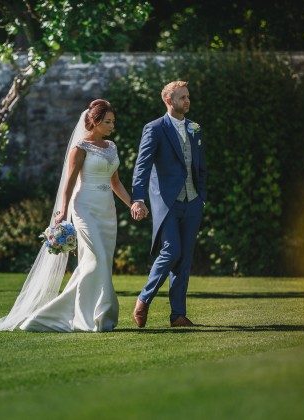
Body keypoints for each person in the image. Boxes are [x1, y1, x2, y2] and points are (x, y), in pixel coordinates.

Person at [0, 99, 132, 332]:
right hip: (84, 209)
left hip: (107, 211)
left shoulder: (111, 146)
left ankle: (71, 314)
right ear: (94, 122)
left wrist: (131, 204)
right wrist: (63, 212)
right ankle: (93, 316)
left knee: (98, 263)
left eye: (113, 122)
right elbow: (68, 183)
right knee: (96, 259)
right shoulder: (80, 148)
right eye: (107, 122)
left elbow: (115, 182)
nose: (112, 126)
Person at [130, 80, 207, 328]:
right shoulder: (154, 128)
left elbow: (200, 166)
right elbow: (142, 166)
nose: (187, 101)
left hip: (193, 201)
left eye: (188, 96)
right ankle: (144, 299)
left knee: (185, 259)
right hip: (167, 202)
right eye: (182, 97)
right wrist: (139, 199)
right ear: (168, 101)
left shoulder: (195, 129)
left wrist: (202, 197)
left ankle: (178, 315)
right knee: (171, 251)